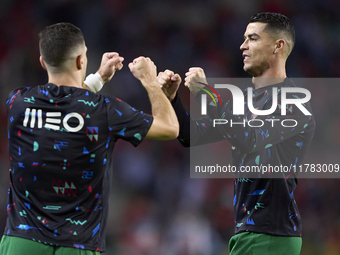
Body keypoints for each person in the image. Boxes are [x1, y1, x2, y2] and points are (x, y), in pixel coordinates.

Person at [0, 22, 179, 255]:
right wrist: (149, 81)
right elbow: (169, 127)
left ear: (43, 62)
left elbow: (64, 104)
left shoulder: (17, 103)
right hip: (79, 245)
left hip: (22, 243)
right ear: (81, 61)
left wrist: (98, 80)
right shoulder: (104, 110)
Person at [157, 12, 315, 255]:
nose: (242, 46)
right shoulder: (244, 103)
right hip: (250, 234)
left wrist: (205, 93)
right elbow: (191, 136)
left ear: (278, 46)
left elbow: (251, 139)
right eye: (243, 38)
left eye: (252, 38)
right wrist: (173, 99)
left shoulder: (294, 102)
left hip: (270, 236)